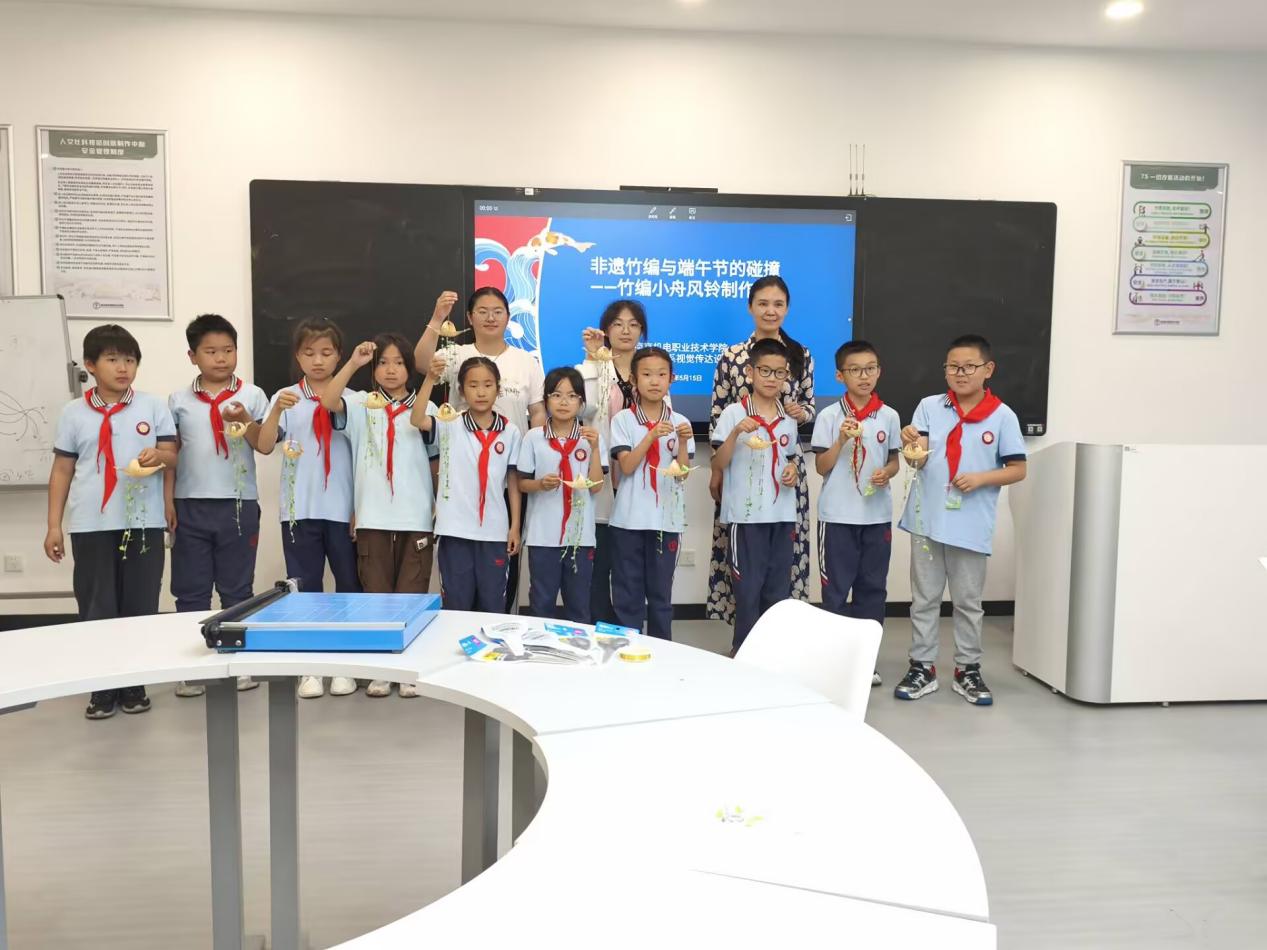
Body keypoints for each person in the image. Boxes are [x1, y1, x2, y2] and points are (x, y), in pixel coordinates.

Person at [44, 324, 178, 719]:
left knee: (140, 605)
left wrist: (160, 456)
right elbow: (62, 470)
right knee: (96, 607)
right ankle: (101, 687)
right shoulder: (73, 412)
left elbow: (172, 455)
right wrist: (53, 525)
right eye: (113, 359)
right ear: (90, 365)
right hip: (91, 523)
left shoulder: (152, 406)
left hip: (143, 521)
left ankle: (134, 684)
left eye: (130, 360)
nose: (123, 368)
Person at [894, 334, 1027, 706]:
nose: (960, 373)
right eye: (953, 367)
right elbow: (917, 459)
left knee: (968, 601)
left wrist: (982, 478)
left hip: (969, 523)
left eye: (969, 366)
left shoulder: (1002, 416)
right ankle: (922, 666)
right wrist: (910, 445)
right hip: (927, 518)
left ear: (988, 369)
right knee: (924, 598)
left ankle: (967, 669)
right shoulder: (929, 407)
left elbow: (1018, 469)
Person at [322, 333, 440, 697]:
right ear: (373, 369)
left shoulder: (429, 408)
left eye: (399, 363)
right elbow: (328, 401)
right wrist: (353, 363)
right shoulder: (361, 404)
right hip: (372, 516)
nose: (391, 370)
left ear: (410, 368)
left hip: (415, 516)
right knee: (376, 596)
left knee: (411, 594)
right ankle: (381, 670)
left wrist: (437, 505)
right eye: (383, 363)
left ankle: (408, 670)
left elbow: (436, 460)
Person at [416, 288, 544, 612]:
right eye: (482, 311)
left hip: (507, 478)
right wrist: (437, 318)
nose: (490, 317)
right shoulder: (456, 354)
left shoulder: (525, 362)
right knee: (458, 595)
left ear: (508, 317)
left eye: (497, 311)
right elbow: (421, 364)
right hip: (461, 487)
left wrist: (541, 455)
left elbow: (538, 412)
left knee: (498, 589)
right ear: (470, 318)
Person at [165, 313, 269, 698]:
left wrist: (245, 418)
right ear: (192, 356)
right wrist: (168, 503)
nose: (221, 358)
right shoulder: (178, 401)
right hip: (189, 505)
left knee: (237, 589)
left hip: (238, 505)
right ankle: (191, 668)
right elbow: (171, 454)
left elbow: (263, 444)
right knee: (191, 591)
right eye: (210, 351)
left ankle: (236, 663)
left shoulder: (253, 395)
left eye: (228, 350)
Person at [256, 317, 359, 699]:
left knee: (349, 586)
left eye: (326, 353)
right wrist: (274, 413)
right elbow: (264, 445)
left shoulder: (353, 398)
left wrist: (359, 508)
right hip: (299, 510)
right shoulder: (285, 396)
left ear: (339, 356)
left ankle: (346, 665)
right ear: (298, 357)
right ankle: (310, 667)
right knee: (305, 588)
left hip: (343, 509)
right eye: (309, 353)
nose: (318, 360)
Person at [707, 276, 815, 626]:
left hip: (784, 467)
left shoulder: (800, 355)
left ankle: (776, 635)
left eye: (778, 304)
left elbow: (809, 407)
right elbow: (718, 413)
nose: (771, 311)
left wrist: (800, 413)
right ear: (750, 307)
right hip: (741, 469)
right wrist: (717, 471)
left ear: (787, 308)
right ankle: (743, 638)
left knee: (781, 564)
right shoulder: (732, 356)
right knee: (744, 565)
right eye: (763, 303)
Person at [810, 340, 901, 686]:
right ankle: (835, 661)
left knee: (873, 590)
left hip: (876, 516)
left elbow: (894, 461)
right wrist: (841, 441)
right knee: (835, 592)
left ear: (879, 371)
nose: (864, 376)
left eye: (870, 369)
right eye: (855, 370)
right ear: (840, 375)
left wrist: (887, 473)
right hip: (837, 517)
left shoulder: (889, 416)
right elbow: (821, 466)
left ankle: (866, 662)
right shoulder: (829, 416)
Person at [710, 338, 801, 653]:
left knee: (777, 589)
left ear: (786, 376)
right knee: (747, 588)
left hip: (782, 514)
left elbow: (789, 459)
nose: (772, 378)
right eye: (765, 371)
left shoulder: (788, 418)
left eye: (779, 373)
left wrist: (792, 471)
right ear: (750, 372)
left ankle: (770, 652)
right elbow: (718, 463)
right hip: (745, 516)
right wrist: (737, 432)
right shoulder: (734, 413)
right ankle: (744, 650)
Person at [608, 347, 695, 640]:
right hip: (629, 520)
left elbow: (682, 474)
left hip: (666, 521)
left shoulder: (681, 421)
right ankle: (627, 648)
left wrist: (682, 443)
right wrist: (651, 435)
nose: (654, 381)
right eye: (646, 374)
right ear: (634, 380)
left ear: (672, 379)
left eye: (661, 374)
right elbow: (627, 467)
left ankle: (661, 651)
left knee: (660, 595)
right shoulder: (623, 420)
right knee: (627, 593)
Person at [432, 357, 523, 612]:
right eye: (473, 385)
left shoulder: (510, 431)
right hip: (455, 530)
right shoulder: (449, 424)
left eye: (488, 385)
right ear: (461, 390)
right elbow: (418, 420)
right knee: (456, 605)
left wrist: (515, 526)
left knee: (493, 606)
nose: (481, 392)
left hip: (494, 531)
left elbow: (513, 481)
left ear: (498, 389)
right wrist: (430, 379)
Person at [518, 366, 607, 622]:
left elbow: (596, 486)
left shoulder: (591, 438)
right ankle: (539, 646)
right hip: (543, 536)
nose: (564, 402)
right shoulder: (534, 437)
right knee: (541, 603)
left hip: (580, 536)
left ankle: (577, 646)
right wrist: (540, 484)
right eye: (556, 395)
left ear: (581, 402)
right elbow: (522, 483)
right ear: (546, 400)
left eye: (572, 396)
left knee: (579, 605)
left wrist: (595, 449)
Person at [578, 299, 647, 623]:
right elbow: (584, 409)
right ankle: (598, 629)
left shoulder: (651, 368)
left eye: (633, 324)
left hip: (638, 476)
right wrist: (593, 359)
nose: (625, 330)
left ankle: (628, 630)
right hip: (603, 474)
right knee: (599, 562)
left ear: (642, 331)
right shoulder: (593, 367)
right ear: (606, 330)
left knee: (631, 566)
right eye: (618, 324)